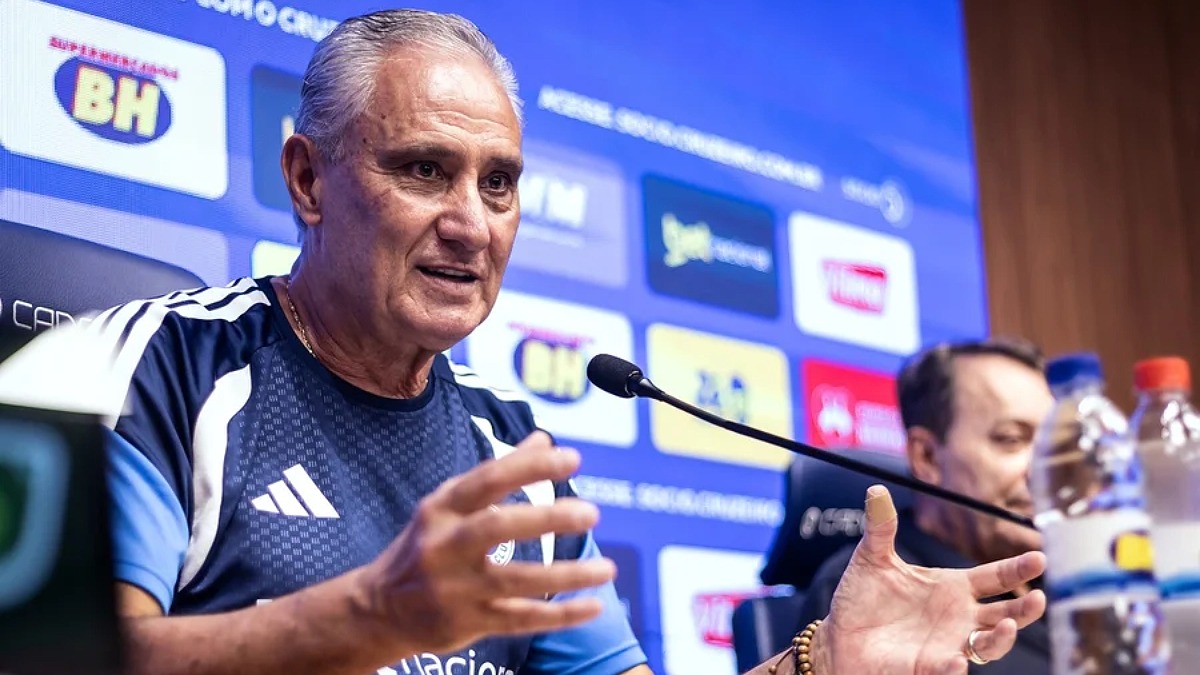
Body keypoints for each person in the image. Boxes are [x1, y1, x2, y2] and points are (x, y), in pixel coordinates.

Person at [0, 10, 1047, 675]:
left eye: (499, 183)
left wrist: (822, 664)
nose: (472, 223)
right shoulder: (166, 370)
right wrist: (368, 615)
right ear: (308, 180)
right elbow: (51, 659)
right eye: (424, 169)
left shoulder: (511, 455)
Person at [797, 338, 1055, 674]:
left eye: (1052, 444)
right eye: (1011, 439)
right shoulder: (870, 598)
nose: (1046, 470)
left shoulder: (1073, 583)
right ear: (927, 456)